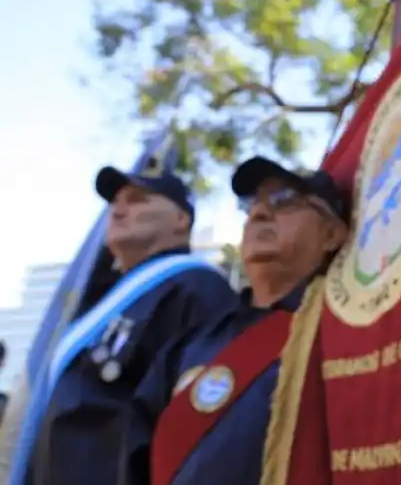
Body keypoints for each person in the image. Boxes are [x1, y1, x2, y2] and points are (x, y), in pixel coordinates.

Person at [121, 156, 348, 485]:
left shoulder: (342, 334)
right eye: (251, 204)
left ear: (332, 233)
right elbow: (136, 457)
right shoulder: (189, 345)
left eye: (285, 200)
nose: (259, 213)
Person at [18, 165, 238, 485]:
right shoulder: (104, 303)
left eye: (137, 199)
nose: (118, 211)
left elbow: (197, 419)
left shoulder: (198, 289)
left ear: (181, 219)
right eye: (115, 202)